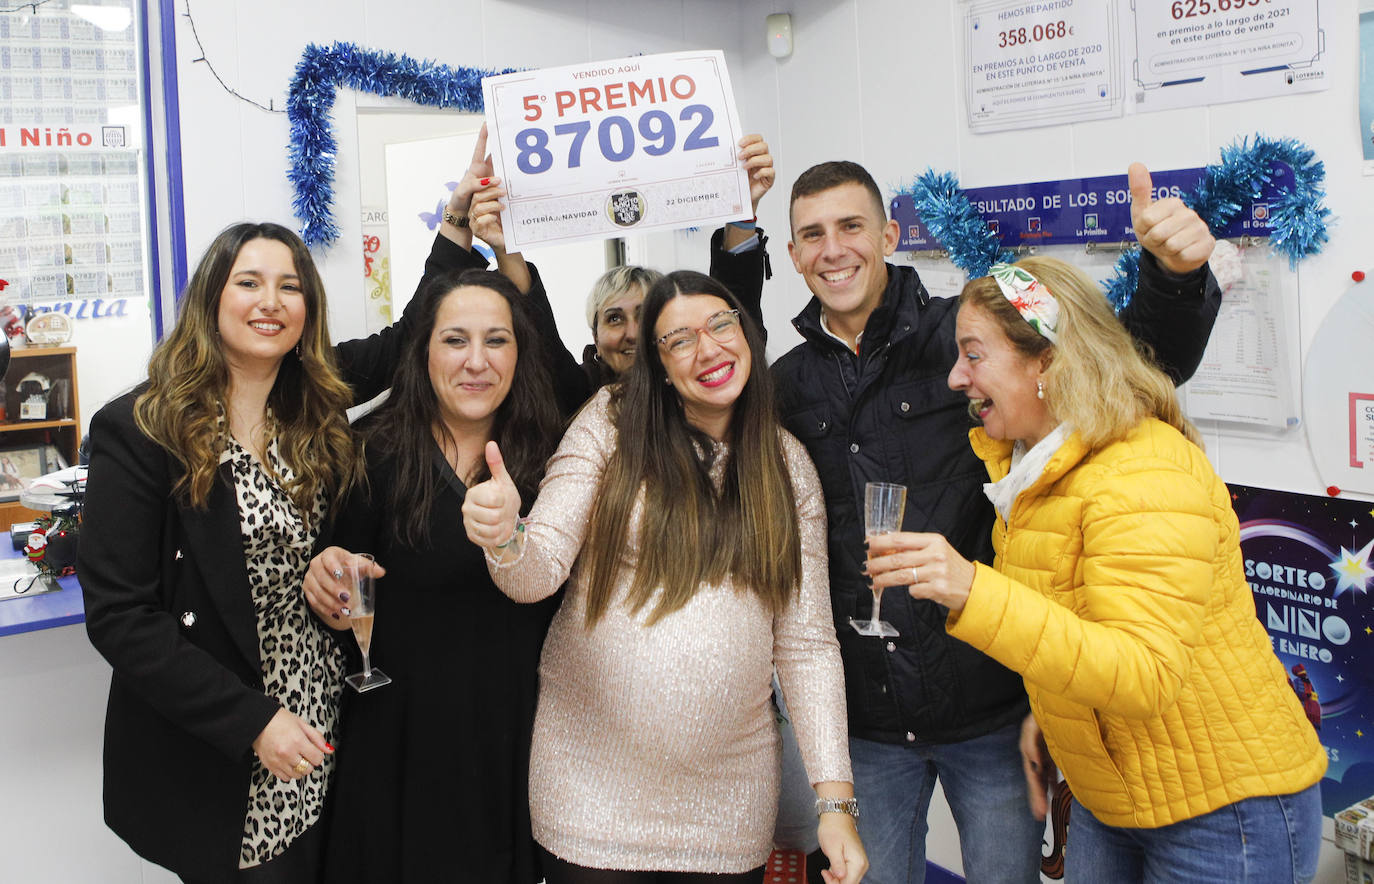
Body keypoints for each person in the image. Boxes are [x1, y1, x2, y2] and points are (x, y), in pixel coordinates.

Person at [770, 159, 1224, 883]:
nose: (834, 249)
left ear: (888, 234)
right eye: (812, 235)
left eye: (852, 226)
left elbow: (1130, 358)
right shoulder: (784, 384)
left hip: (991, 703)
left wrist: (1173, 278)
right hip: (871, 715)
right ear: (791, 255)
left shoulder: (971, 329)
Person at [76, 135, 495, 884]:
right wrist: (250, 723)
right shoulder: (140, 429)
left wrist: (457, 220)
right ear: (212, 297)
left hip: (325, 724)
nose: (271, 303)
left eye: (290, 286)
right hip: (224, 746)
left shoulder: (314, 405)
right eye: (249, 283)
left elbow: (408, 340)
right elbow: (119, 617)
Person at [865, 255, 1326, 882]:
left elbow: (1145, 673)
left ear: (1048, 362)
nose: (954, 378)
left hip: (1223, 808)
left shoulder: (1143, 471)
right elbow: (1078, 628)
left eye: (973, 355)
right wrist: (1056, 719)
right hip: (1115, 796)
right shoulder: (1035, 472)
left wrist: (975, 590)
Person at [462, 271, 866, 884]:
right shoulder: (610, 423)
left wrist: (835, 806)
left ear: (746, 334)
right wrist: (506, 537)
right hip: (589, 791)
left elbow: (807, 647)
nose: (707, 350)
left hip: (729, 803)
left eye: (720, 326)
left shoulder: (787, 465)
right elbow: (535, 573)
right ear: (657, 363)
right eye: (679, 340)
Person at [299, 269, 562, 883]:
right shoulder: (369, 451)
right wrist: (325, 578)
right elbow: (337, 583)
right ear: (422, 352)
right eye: (454, 340)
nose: (476, 362)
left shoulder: (555, 456)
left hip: (512, 742)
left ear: (522, 354)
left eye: (496, 340)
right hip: (397, 744)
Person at [464, 134, 775, 410]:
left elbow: (735, 308)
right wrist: (506, 247)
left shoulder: (702, 384)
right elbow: (537, 333)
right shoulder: (577, 396)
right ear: (595, 338)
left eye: (645, 315)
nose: (631, 333)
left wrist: (743, 210)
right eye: (614, 318)